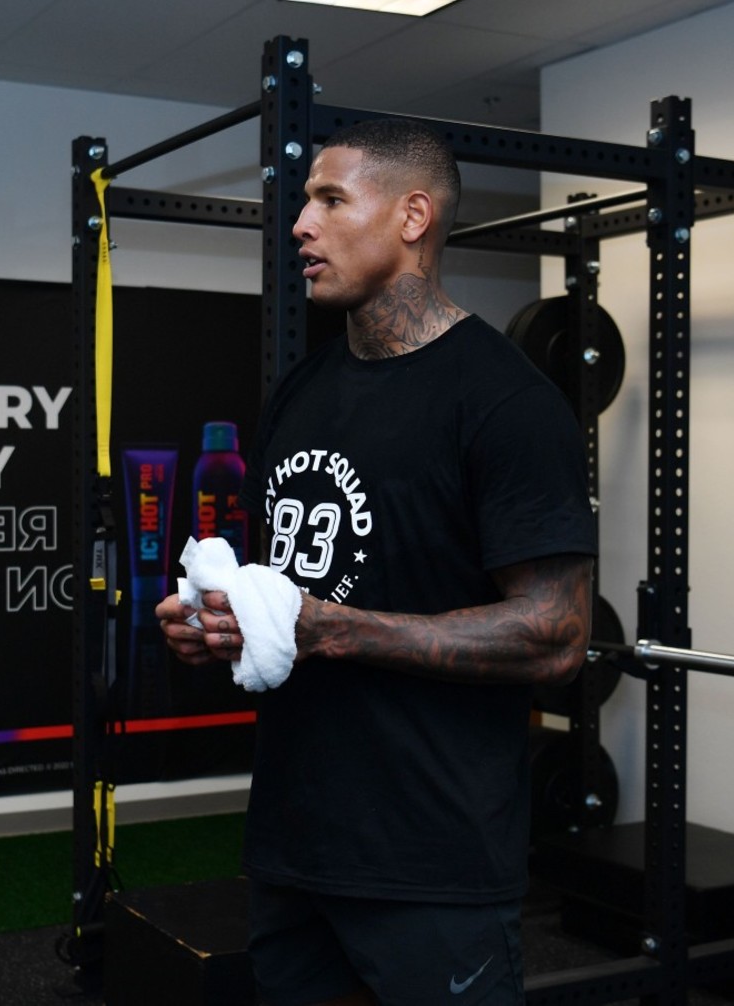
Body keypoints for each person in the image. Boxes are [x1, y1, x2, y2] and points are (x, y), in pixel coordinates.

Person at [157, 117, 597, 1005]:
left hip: (430, 863)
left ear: (412, 217)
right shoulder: (300, 393)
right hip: (295, 840)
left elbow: (556, 637)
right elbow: (291, 592)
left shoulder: (507, 402)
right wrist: (226, 625)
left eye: (328, 200)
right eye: (303, 203)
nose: (299, 228)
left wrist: (332, 631)